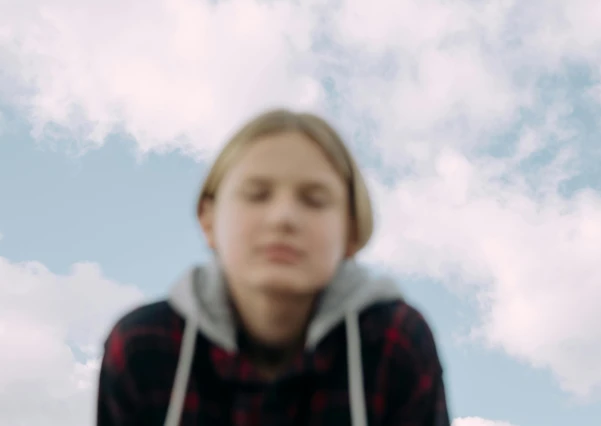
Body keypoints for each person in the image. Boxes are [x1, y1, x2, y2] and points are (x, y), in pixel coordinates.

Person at [96, 108, 451, 425]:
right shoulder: (142, 345)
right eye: (256, 194)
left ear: (352, 231)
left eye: (314, 200)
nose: (283, 218)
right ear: (208, 219)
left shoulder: (395, 342)